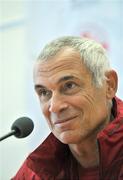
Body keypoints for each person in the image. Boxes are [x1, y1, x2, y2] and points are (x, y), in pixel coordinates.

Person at [12, 36, 123, 179]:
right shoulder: (37, 170)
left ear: (109, 85)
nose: (55, 107)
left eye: (69, 85)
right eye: (44, 93)